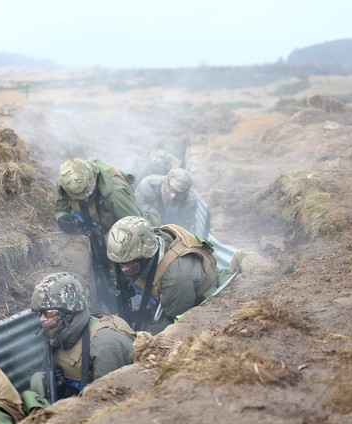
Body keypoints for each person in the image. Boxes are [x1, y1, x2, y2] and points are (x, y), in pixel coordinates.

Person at [54, 157, 160, 312]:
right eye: (79, 198)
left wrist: (108, 243)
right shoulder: (67, 180)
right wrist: (62, 216)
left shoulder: (115, 192)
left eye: (87, 197)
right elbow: (61, 205)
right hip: (99, 223)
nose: (84, 200)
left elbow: (135, 226)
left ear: (93, 182)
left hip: (125, 225)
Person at [28, 272, 135, 402]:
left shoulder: (105, 345)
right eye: (39, 313)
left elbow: (108, 404)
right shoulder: (55, 335)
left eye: (49, 312)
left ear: (68, 313)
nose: (42, 319)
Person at [106, 216, 219, 334]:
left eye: (129, 264)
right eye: (120, 264)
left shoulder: (175, 279)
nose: (123, 269)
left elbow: (175, 326)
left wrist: (136, 335)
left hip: (197, 309)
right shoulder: (147, 240)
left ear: (146, 258)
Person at [136, 168, 198, 233]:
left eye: (179, 193)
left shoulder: (190, 200)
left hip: (171, 229)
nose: (173, 195)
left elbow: (184, 226)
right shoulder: (148, 185)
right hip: (146, 223)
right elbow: (137, 209)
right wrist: (154, 216)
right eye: (172, 189)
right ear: (166, 181)